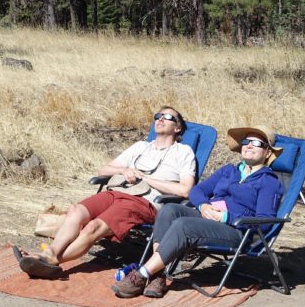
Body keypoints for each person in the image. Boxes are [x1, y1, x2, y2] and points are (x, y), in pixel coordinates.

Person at [17, 107, 197, 279]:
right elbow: (104, 170)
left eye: (168, 117)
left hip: (143, 202)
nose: (161, 119)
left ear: (177, 127)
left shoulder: (183, 152)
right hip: (117, 191)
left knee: (93, 227)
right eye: (158, 116)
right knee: (75, 211)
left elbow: (186, 190)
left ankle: (47, 260)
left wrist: (146, 179)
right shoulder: (141, 146)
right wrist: (124, 170)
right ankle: (48, 254)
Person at [112, 126, 284, 299]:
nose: (249, 146)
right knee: (169, 210)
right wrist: (203, 206)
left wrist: (226, 216)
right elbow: (197, 191)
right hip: (207, 217)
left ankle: (141, 274)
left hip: (237, 231)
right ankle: (158, 274)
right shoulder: (229, 170)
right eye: (246, 142)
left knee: (183, 225)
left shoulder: (269, 182)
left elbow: (266, 221)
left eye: (257, 143)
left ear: (268, 152)